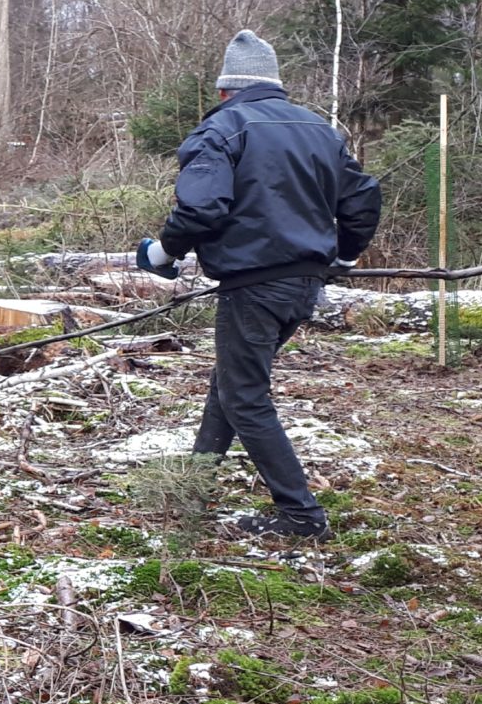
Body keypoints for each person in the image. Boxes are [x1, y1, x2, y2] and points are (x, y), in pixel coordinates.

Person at [136, 29, 381, 540]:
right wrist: (346, 256)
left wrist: (163, 253)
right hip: (303, 284)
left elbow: (201, 208)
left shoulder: (224, 129)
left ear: (226, 88)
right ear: (274, 83)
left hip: (254, 284)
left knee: (245, 395)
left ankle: (301, 517)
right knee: (231, 384)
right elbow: (363, 200)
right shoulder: (320, 130)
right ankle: (195, 489)